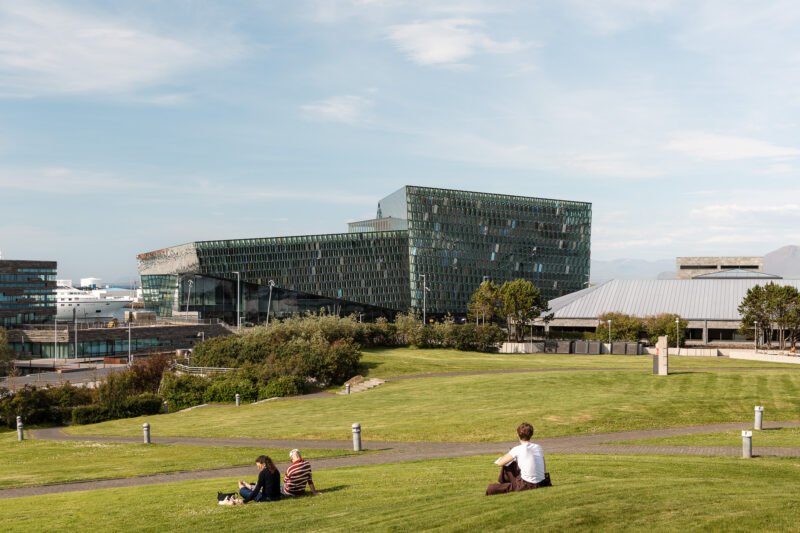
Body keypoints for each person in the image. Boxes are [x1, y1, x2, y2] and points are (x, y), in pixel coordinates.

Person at [486, 422, 551, 495]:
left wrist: (508, 456)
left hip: (527, 484)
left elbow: (500, 463)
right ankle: (508, 484)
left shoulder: (517, 449)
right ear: (531, 434)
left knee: (491, 488)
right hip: (542, 482)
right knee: (513, 464)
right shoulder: (538, 447)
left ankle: (504, 485)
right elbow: (544, 468)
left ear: (518, 435)